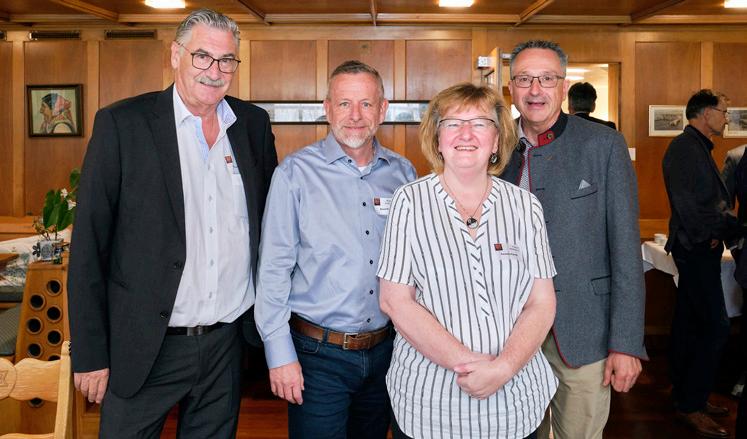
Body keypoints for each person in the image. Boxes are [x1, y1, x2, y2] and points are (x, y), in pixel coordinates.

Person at [67, 9, 277, 438]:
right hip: (145, 345)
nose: (214, 71)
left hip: (226, 344)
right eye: (202, 56)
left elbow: (268, 230)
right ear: (176, 55)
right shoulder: (123, 125)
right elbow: (89, 247)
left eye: (226, 60)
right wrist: (90, 354)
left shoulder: (252, 125)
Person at [378, 83, 557, 439]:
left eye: (479, 123)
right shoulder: (409, 202)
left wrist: (503, 369)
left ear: (497, 140)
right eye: (453, 123)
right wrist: (472, 366)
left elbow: (541, 302)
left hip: (515, 400)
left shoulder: (525, 207)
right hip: (430, 403)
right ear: (437, 138)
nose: (465, 134)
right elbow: (395, 301)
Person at [254, 60, 416, 438]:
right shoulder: (294, 174)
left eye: (366, 104)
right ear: (327, 109)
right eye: (344, 104)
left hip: (386, 353)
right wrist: (279, 355)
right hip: (317, 357)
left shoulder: (404, 174)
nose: (355, 115)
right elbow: (273, 270)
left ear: (383, 109)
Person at [500, 40, 646, 439]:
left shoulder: (603, 145)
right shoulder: (494, 146)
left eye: (547, 79)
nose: (535, 90)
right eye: (524, 79)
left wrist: (626, 343)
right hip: (508, 334)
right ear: (510, 89)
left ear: (564, 87)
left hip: (584, 331)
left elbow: (625, 250)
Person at [663, 89, 741, 439]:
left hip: (697, 247)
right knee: (715, 326)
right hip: (694, 248)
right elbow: (687, 203)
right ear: (706, 113)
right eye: (723, 111)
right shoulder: (684, 148)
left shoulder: (696, 146)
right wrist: (709, 234)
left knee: (691, 324)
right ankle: (690, 404)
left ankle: (687, 395)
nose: (726, 118)